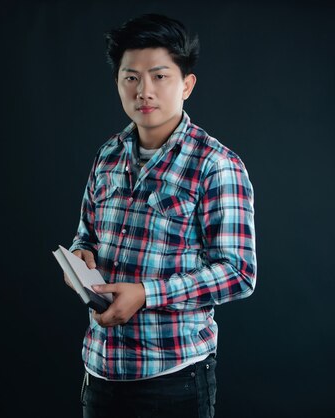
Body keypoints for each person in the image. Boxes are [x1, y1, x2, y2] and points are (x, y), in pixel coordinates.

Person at [64, 13, 257, 418]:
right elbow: (86, 235)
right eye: (131, 77)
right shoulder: (107, 155)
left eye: (159, 76)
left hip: (173, 378)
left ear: (186, 85)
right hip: (99, 370)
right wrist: (80, 258)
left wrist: (148, 294)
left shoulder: (215, 164)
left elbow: (239, 272)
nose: (144, 91)